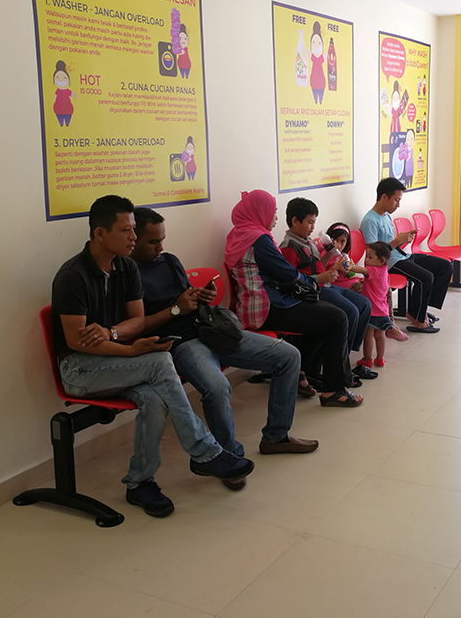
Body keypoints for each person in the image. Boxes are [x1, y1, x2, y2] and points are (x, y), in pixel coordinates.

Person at [51, 195, 253, 518]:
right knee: (160, 362)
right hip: (79, 369)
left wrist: (112, 332)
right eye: (126, 231)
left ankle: (139, 483)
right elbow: (79, 342)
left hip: (114, 361)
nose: (133, 237)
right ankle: (204, 451)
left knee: (154, 398)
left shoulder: (126, 267)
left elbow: (137, 322)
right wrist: (129, 350)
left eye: (134, 229)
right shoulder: (73, 275)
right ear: (100, 233)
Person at [129, 207, 318, 491]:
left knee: (288, 356)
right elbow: (136, 326)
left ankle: (276, 437)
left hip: (210, 329)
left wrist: (202, 297)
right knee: (217, 387)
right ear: (133, 240)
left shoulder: (169, 261)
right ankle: (229, 457)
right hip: (180, 343)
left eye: (162, 240)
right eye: (153, 242)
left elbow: (187, 299)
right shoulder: (127, 275)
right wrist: (176, 309)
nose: (160, 247)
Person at [226, 190, 363, 407]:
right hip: (265, 306)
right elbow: (287, 273)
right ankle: (333, 390)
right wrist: (313, 284)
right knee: (336, 317)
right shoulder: (258, 239)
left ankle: (301, 371)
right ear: (260, 212)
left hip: (255, 304)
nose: (275, 218)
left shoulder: (241, 234)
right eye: (273, 212)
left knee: (323, 312)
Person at [279, 197, 374, 380]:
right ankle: (339, 368)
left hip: (324, 285)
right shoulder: (289, 246)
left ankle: (343, 356)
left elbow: (317, 266)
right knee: (351, 311)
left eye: (314, 222)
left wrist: (331, 263)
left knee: (364, 304)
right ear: (295, 221)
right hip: (312, 291)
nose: (313, 227)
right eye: (310, 222)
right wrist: (319, 278)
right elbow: (290, 281)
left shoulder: (306, 240)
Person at [361, 177, 452, 333]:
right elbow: (374, 255)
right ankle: (417, 318)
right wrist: (398, 240)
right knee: (426, 277)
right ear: (384, 197)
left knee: (445, 266)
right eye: (396, 200)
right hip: (389, 263)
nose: (398, 205)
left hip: (401, 255)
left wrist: (404, 240)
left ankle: (421, 309)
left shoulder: (386, 216)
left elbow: (389, 244)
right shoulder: (370, 221)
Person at [358, 241, 409, 372]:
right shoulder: (384, 271)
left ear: (381, 260)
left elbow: (360, 270)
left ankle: (367, 359)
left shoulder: (373, 270)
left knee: (368, 336)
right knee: (380, 336)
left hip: (372, 311)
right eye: (367, 257)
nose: (366, 260)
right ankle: (380, 359)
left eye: (370, 257)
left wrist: (347, 266)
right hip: (382, 310)